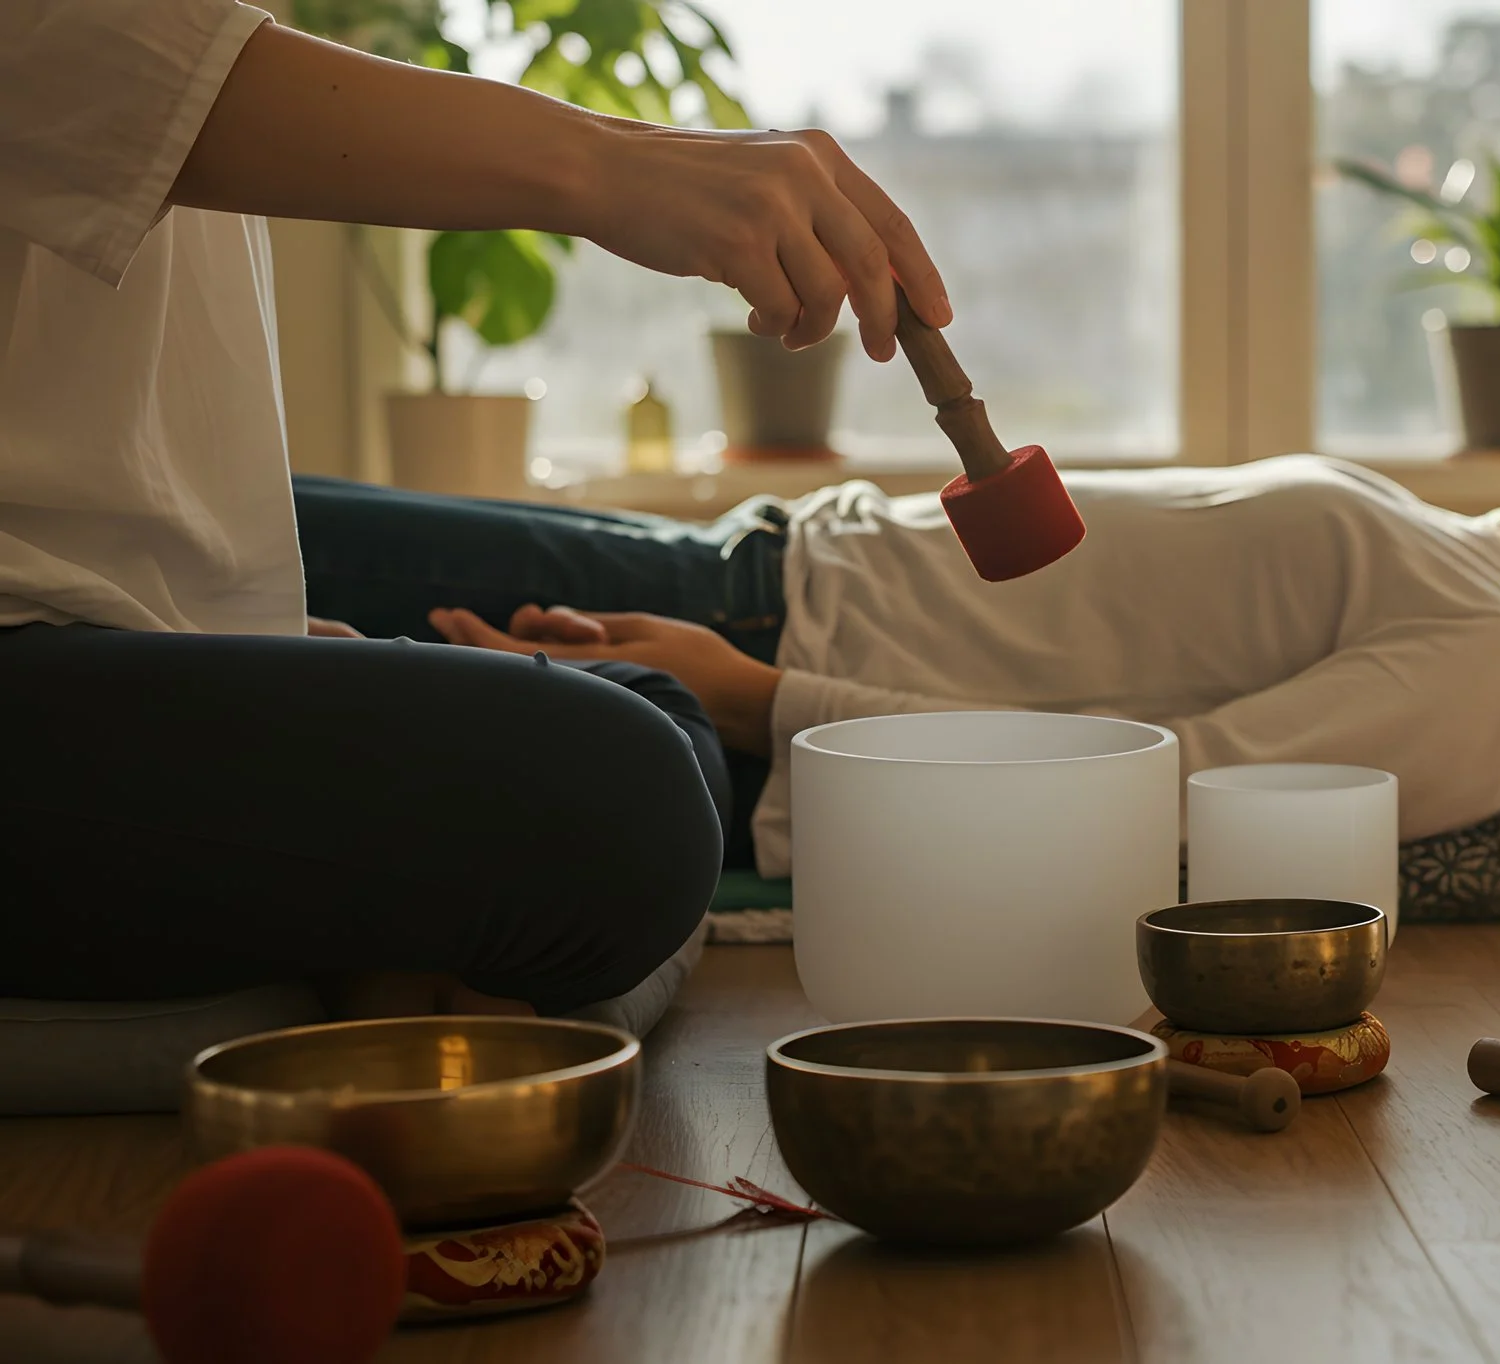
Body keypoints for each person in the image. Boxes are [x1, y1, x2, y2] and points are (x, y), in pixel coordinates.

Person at [0, 1, 950, 1016]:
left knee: (652, 721)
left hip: (78, 570)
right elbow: (114, 67)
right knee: (623, 802)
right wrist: (616, 166)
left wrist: (234, 629)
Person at [295, 414, 1500, 880]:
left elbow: (1155, 794)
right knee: (215, 529)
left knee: (179, 556)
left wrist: (745, 694)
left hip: (755, 639)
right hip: (762, 573)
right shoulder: (1490, 583)